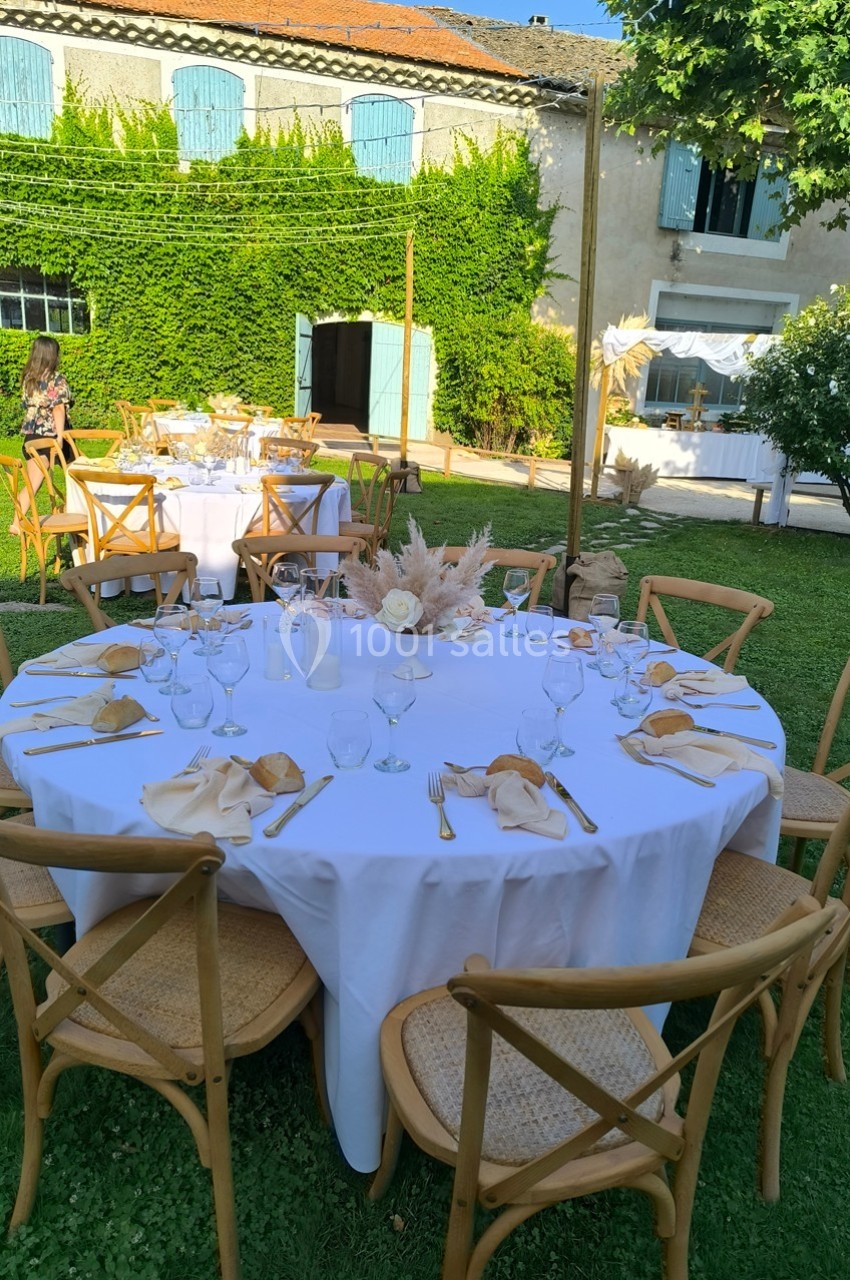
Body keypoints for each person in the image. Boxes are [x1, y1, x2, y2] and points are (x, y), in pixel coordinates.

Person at [10, 335, 73, 534]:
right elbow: (59, 410)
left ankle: (16, 522)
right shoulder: (57, 379)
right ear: (52, 356)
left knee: (33, 481)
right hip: (52, 435)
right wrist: (60, 438)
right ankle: (77, 511)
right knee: (77, 473)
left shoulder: (29, 380)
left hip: (32, 436)